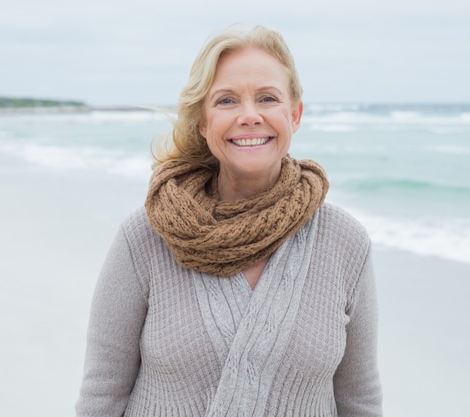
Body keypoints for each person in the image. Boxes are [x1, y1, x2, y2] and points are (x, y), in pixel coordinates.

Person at [76, 24, 382, 416]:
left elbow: (360, 401)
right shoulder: (145, 237)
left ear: (295, 115)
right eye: (226, 101)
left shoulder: (345, 243)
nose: (250, 116)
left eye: (267, 98)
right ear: (203, 122)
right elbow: (102, 396)